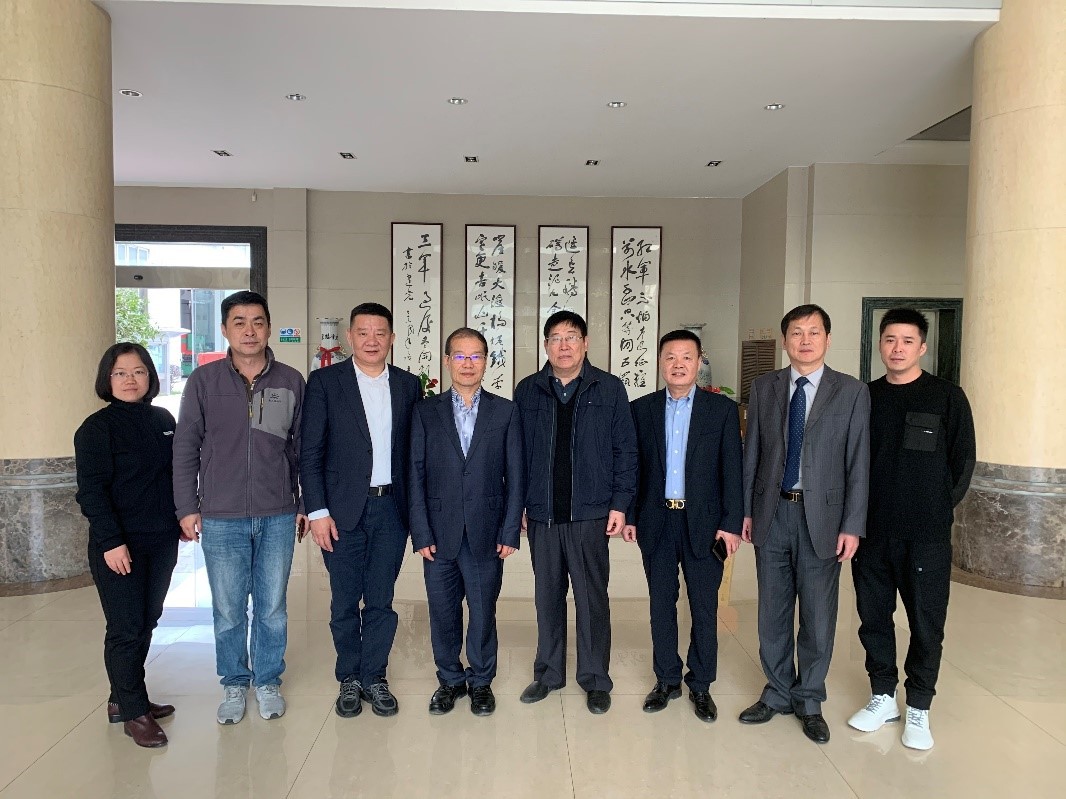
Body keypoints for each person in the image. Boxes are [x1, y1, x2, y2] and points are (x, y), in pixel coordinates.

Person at [173, 291, 306, 725]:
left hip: (278, 513)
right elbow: (185, 448)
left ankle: (266, 680)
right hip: (221, 514)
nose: (250, 331)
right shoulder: (203, 381)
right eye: (239, 322)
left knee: (272, 607)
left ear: (268, 328)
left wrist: (304, 502)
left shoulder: (291, 380)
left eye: (258, 322)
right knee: (228, 609)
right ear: (225, 329)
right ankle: (233, 682)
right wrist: (187, 506)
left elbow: (303, 449)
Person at [739, 304, 870, 744]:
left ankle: (809, 698)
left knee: (817, 613)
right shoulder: (765, 387)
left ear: (828, 339)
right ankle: (777, 691)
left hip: (824, 519)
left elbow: (858, 462)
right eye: (797, 332)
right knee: (772, 611)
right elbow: (753, 452)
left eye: (814, 332)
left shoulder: (851, 392)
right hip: (772, 513)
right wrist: (746, 511)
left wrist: (852, 524)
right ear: (785, 341)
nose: (805, 340)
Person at [847, 308, 975, 750]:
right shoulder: (865, 397)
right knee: (873, 617)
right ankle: (883, 695)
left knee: (925, 621)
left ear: (922, 347)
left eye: (906, 341)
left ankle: (919, 704)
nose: (897, 348)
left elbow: (962, 461)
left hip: (926, 535)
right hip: (872, 531)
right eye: (889, 340)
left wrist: (934, 508)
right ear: (879, 345)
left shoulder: (947, 397)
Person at [300, 302, 421, 719]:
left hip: (391, 510)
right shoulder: (325, 382)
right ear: (350, 337)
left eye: (380, 332)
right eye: (363, 332)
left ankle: (375, 676)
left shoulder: (408, 385)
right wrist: (317, 511)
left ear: (392, 338)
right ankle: (349, 677)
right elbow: (310, 452)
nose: (372, 340)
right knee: (344, 601)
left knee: (382, 600)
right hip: (341, 512)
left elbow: (414, 454)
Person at [514, 311, 638, 715]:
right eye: (555, 338)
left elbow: (625, 450)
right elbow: (516, 455)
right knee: (547, 597)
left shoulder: (609, 388)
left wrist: (620, 503)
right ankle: (548, 673)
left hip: (591, 514)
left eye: (571, 337)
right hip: (544, 515)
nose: (563, 345)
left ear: (585, 343)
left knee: (591, 598)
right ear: (545, 345)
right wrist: (518, 506)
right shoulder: (528, 390)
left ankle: (596, 679)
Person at [623, 330, 744, 722]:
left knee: (704, 607)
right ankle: (666, 679)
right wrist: (630, 514)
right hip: (656, 521)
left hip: (706, 525)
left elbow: (733, 471)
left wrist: (731, 524)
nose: (678, 364)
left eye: (686, 357)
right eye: (670, 357)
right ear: (660, 362)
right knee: (661, 605)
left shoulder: (721, 410)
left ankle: (701, 683)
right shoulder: (641, 409)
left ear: (698, 362)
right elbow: (634, 469)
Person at [408, 327, 526, 717]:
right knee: (442, 613)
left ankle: (481, 681)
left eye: (476, 356)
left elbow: (516, 476)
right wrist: (420, 532)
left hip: (486, 533)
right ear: (447, 361)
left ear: (486, 362)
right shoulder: (426, 411)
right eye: (460, 356)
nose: (468, 363)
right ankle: (449, 680)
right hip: (438, 534)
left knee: (482, 611)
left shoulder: (505, 411)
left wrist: (510, 529)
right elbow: (415, 474)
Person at [74, 343, 184, 748]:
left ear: (150, 377)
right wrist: (111, 541)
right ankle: (134, 713)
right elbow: (91, 492)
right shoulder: (95, 429)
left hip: (161, 538)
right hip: (119, 544)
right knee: (125, 627)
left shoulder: (163, 420)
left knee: (148, 618)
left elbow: (174, 474)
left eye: (138, 372)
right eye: (120, 373)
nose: (130, 380)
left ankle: (122, 697)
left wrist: (182, 516)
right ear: (107, 379)